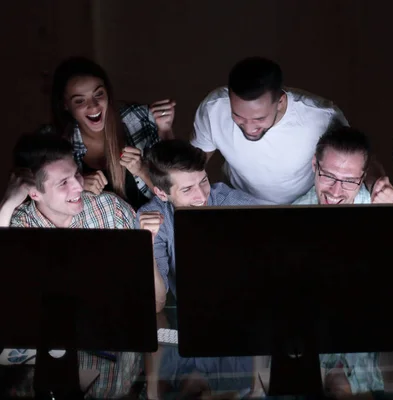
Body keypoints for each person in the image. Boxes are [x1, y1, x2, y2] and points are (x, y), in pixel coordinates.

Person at [0, 134, 163, 398]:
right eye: (63, 182)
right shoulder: (15, 225)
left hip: (114, 377)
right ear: (33, 191)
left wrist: (146, 247)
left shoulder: (111, 209)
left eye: (76, 174)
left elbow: (155, 304)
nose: (78, 186)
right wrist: (6, 207)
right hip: (44, 376)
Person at [292, 125, 393, 396]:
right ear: (315, 165)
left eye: (349, 180)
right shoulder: (292, 220)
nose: (336, 191)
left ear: (363, 177)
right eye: (328, 176)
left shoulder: (387, 214)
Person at [136, 139, 258, 398]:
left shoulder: (232, 202)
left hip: (240, 316)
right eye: (188, 188)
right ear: (161, 193)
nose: (202, 196)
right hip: (183, 323)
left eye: (203, 181)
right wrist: (146, 244)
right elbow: (157, 304)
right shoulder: (152, 217)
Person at [191, 56, 387, 205]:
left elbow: (354, 157)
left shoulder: (322, 116)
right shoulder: (213, 109)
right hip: (239, 201)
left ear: (280, 102)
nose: (249, 127)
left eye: (259, 118)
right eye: (239, 117)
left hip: (303, 204)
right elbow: (192, 165)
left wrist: (377, 185)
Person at [42, 56, 176, 209]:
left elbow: (177, 191)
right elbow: (41, 204)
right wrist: (76, 185)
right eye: (79, 101)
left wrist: (165, 132)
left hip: (149, 229)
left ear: (108, 93)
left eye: (98, 94)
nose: (93, 106)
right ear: (65, 105)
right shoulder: (52, 140)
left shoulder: (139, 119)